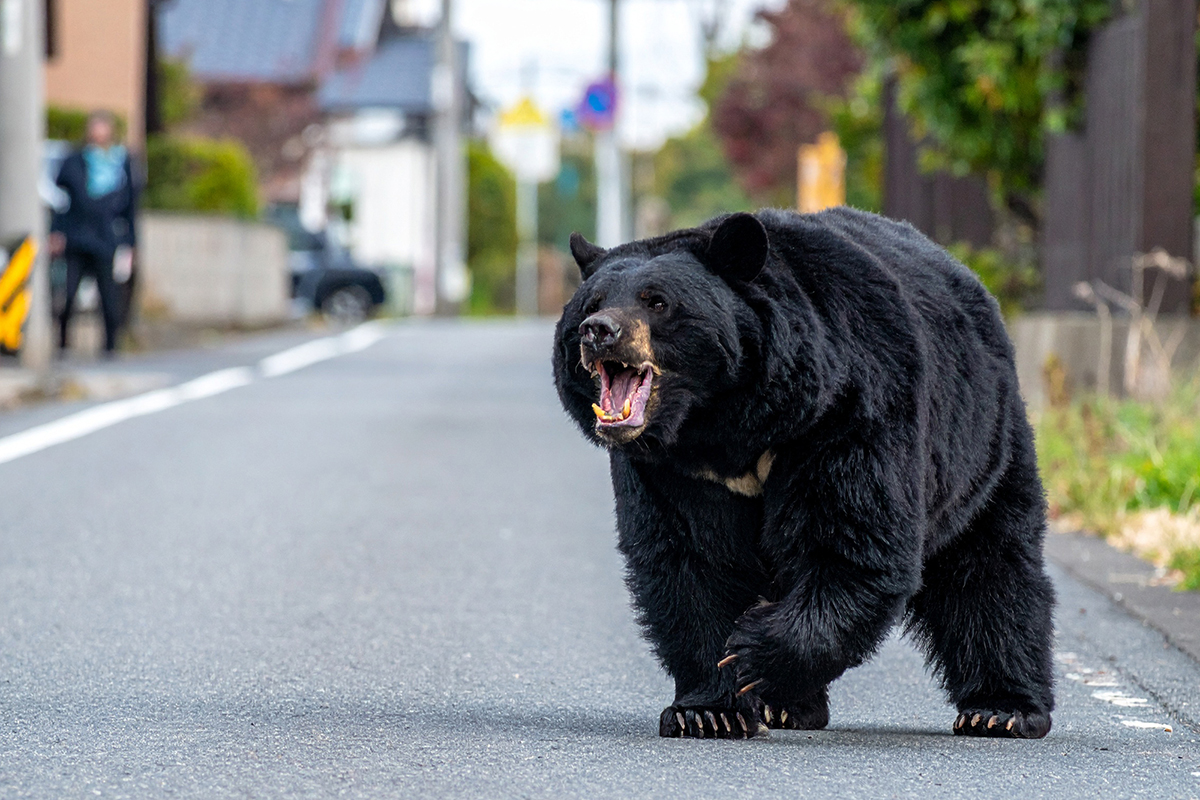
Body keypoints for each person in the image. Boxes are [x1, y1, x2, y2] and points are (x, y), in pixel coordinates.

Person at [49, 110, 139, 356]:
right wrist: (55, 232)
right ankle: (63, 343)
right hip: (76, 235)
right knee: (67, 293)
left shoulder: (122, 163)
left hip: (107, 238)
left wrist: (131, 242)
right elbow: (61, 201)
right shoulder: (74, 160)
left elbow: (131, 207)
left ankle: (110, 345)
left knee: (109, 295)